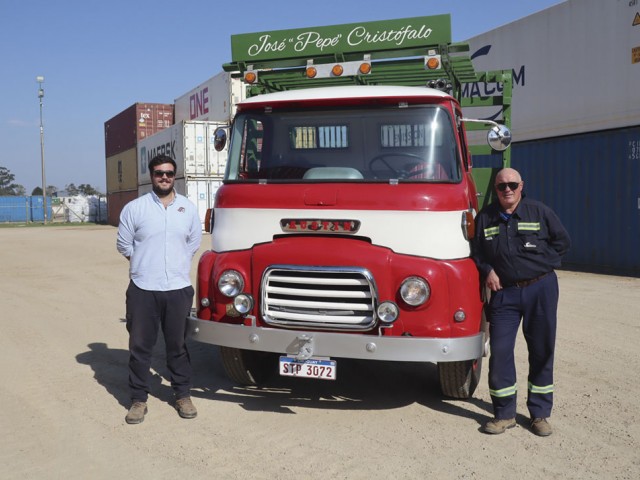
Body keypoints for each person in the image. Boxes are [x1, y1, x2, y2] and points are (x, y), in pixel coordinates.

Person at [472, 167, 570, 436]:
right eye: (502, 186)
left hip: (541, 289)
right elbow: (476, 252)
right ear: (496, 189)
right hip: (504, 293)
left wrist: (540, 266)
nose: (508, 190)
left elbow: (562, 242)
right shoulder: (486, 218)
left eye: (512, 185)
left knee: (541, 350)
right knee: (500, 351)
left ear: (521, 186)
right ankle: (504, 414)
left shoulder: (539, 212)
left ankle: (539, 415)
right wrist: (487, 270)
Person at [117, 154, 202, 424]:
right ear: (150, 176)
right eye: (158, 173)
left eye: (168, 173)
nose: (164, 177)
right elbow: (124, 245)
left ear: (174, 175)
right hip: (144, 288)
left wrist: (174, 265)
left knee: (177, 345)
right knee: (140, 346)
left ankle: (182, 394)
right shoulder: (135, 208)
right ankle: (138, 400)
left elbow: (193, 242)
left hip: (177, 288)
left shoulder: (187, 208)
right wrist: (144, 264)